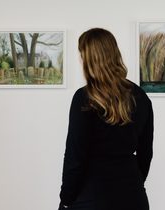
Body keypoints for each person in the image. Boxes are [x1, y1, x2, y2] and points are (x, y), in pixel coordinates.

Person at [58, 28, 154, 210]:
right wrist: (133, 184)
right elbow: (146, 153)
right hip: (132, 196)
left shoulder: (84, 98)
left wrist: (66, 199)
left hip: (91, 197)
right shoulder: (140, 96)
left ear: (89, 59)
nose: (80, 59)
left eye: (81, 54)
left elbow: (74, 156)